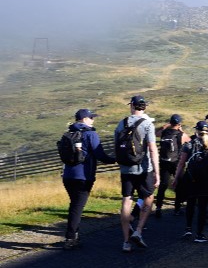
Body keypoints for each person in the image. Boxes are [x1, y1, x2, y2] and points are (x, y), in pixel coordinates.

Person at [62, 109, 115, 250]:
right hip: (84, 177)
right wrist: (115, 160)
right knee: (77, 207)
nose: (93, 120)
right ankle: (70, 238)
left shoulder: (69, 133)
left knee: (74, 205)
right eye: (91, 117)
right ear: (84, 119)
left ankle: (74, 235)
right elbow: (100, 154)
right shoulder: (91, 134)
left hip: (67, 175)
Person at [115, 95, 160, 252]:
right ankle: (139, 231)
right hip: (143, 169)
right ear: (144, 107)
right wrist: (157, 172)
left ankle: (126, 242)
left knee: (126, 201)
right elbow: (153, 149)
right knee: (148, 197)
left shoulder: (122, 123)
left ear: (132, 106)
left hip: (126, 168)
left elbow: (117, 146)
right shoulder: (147, 124)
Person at [172, 121, 208, 243]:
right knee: (203, 207)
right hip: (206, 181)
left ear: (196, 131)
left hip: (191, 180)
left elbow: (181, 164)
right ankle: (199, 234)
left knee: (190, 204)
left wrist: (177, 178)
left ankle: (188, 229)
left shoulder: (189, 145)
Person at [155, 114, 190, 218]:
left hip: (164, 162)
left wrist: (164, 126)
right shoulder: (180, 135)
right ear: (179, 124)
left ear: (170, 122)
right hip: (176, 163)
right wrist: (182, 130)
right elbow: (189, 140)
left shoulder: (164, 132)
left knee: (163, 185)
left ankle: (158, 208)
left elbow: (155, 133)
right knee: (179, 184)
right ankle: (177, 208)